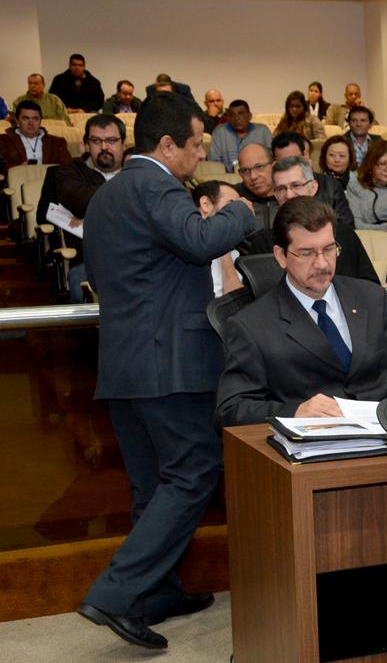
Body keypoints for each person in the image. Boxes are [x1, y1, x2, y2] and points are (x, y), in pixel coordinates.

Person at [78, 93, 256, 649]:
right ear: (166, 144)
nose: (201, 154)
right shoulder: (156, 186)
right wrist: (239, 209)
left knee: (152, 485)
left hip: (124, 364)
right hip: (169, 364)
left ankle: (156, 592)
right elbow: (201, 241)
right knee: (194, 472)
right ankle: (116, 593)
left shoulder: (106, 196)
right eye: (196, 144)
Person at [216, 196, 387, 427]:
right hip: (313, 441)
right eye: (307, 253)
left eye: (329, 249)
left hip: (383, 433)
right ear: (281, 256)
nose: (322, 264)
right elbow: (232, 409)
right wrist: (296, 411)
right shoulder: (251, 325)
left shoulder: (372, 298)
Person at [242, 155, 378, 283]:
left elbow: (369, 285)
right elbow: (257, 293)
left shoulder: (344, 234)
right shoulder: (263, 242)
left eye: (296, 185)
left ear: (313, 187)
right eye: (281, 189)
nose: (289, 195)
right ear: (276, 195)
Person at [37, 114, 126, 302]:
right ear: (85, 145)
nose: (104, 147)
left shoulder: (135, 173)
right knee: (80, 281)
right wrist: (129, 197)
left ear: (123, 145)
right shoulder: (67, 172)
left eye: (111, 140)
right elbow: (82, 200)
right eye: (96, 141)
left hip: (136, 257)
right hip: (89, 261)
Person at [270, 131, 354, 227]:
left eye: (295, 158)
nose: (290, 165)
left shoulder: (331, 185)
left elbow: (346, 226)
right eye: (283, 161)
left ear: (305, 155)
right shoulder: (273, 189)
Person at [192, 180, 244, 297]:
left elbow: (236, 299)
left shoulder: (234, 250)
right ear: (205, 204)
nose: (237, 213)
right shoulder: (186, 246)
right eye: (231, 205)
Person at [0, 100, 73, 169]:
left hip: (49, 177)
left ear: (41, 120)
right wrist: (17, 169)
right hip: (17, 177)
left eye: (35, 119)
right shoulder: (3, 141)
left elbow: (68, 168)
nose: (31, 123)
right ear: (17, 120)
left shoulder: (57, 143)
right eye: (26, 118)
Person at [208, 100, 273, 172]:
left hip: (256, 173)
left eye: (241, 114)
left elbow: (271, 158)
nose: (236, 118)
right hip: (228, 176)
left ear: (249, 116)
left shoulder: (262, 131)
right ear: (228, 118)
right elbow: (213, 160)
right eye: (232, 115)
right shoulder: (219, 132)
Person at [233, 143, 278, 232]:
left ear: (273, 167)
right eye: (245, 170)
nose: (253, 176)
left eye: (259, 167)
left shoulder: (290, 193)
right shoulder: (234, 198)